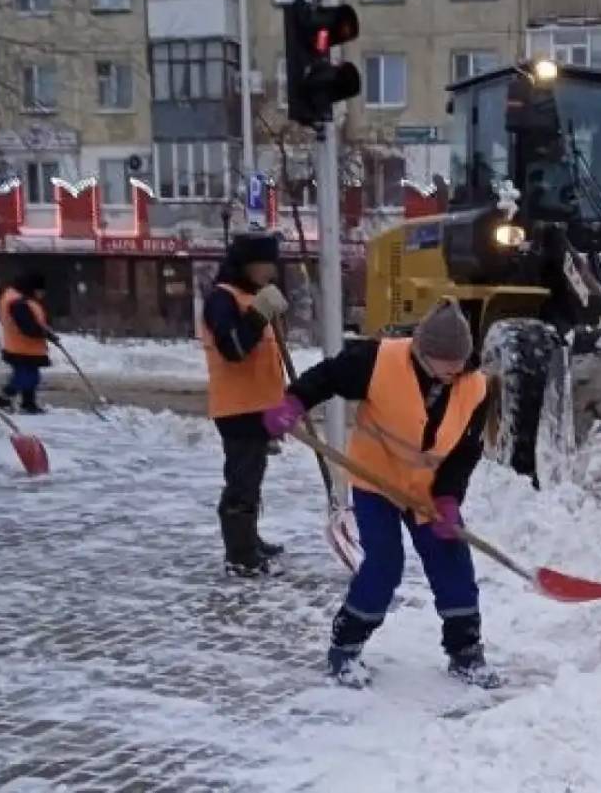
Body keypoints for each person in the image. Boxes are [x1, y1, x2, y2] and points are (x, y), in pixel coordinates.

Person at [262, 298, 497, 689]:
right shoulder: (378, 360)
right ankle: (345, 648)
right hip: (376, 480)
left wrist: (449, 499)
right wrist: (293, 402)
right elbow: (328, 377)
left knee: (453, 561)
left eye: (461, 362)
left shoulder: (475, 386)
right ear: (424, 351)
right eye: (446, 363)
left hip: (427, 490)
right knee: (384, 565)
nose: (455, 371)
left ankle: (465, 652)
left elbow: (465, 451)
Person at [201, 231, 290, 578]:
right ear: (246, 265)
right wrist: (259, 314)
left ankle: (249, 540)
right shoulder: (222, 300)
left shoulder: (248, 297)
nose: (269, 271)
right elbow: (234, 349)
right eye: (263, 264)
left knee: (252, 479)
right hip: (237, 408)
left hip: (258, 407)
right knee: (241, 482)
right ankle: (240, 555)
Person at [0, 270, 58, 414]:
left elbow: (33, 323)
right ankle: (4, 399)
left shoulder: (17, 298)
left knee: (28, 376)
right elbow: (28, 327)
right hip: (21, 348)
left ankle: (28, 404)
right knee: (27, 377)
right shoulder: (18, 303)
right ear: (32, 288)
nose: (42, 294)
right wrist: (45, 334)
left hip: (22, 347)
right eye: (40, 290)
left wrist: (46, 332)